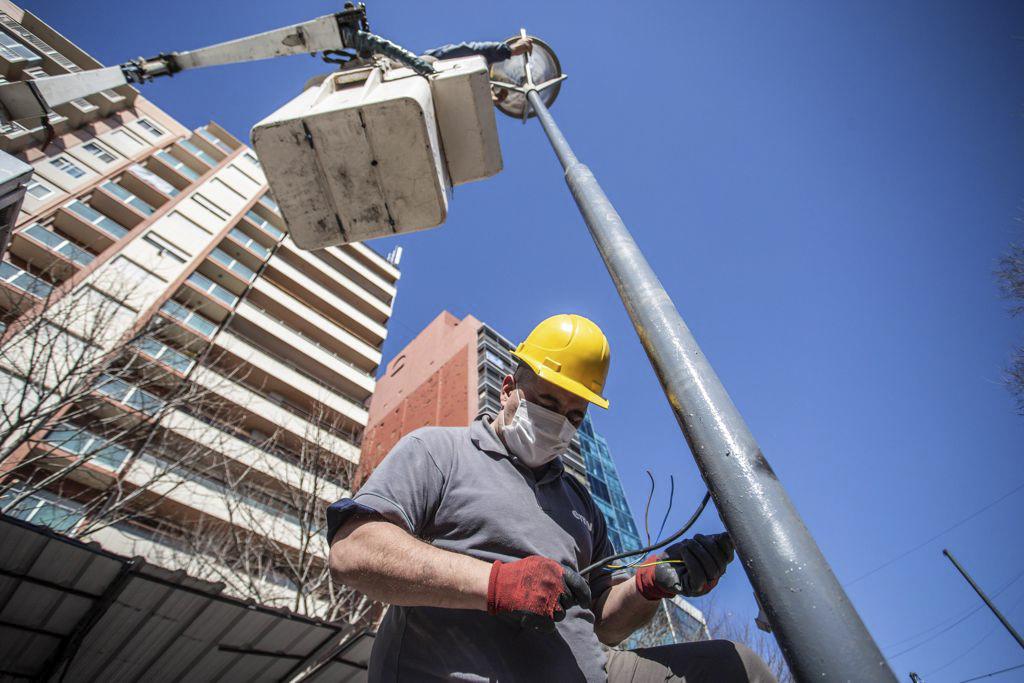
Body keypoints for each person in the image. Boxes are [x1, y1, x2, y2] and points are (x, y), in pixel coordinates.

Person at [327, 315, 776, 682]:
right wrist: (497, 585)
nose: (559, 421)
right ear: (507, 388)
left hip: (585, 673)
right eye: (546, 401)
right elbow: (355, 551)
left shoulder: (582, 506)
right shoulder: (439, 452)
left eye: (575, 415)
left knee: (738, 671)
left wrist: (649, 584)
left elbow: (604, 623)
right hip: (467, 669)